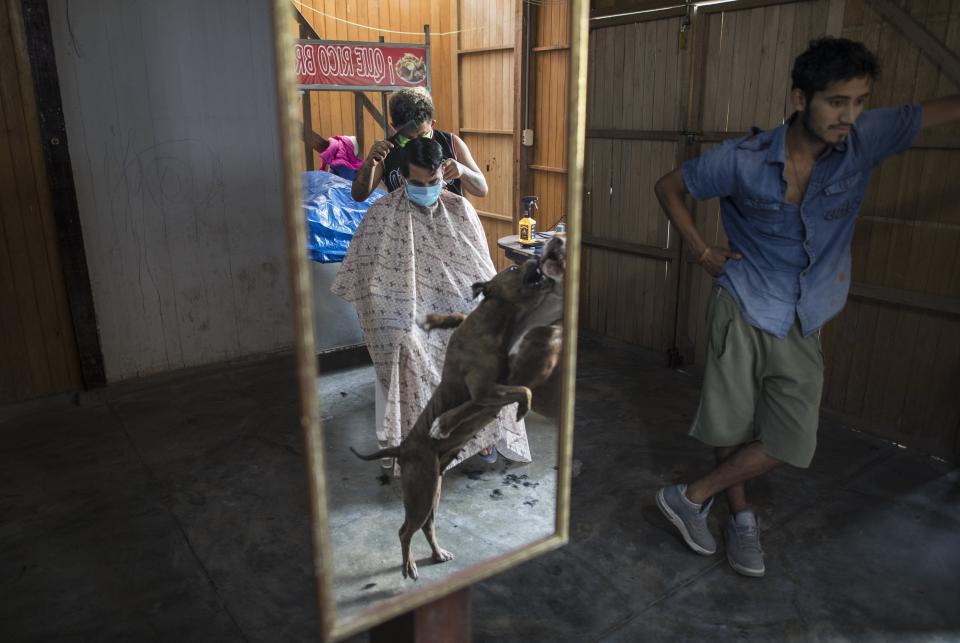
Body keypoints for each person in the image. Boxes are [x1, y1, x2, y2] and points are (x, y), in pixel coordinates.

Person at [653, 37, 960, 577]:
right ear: (801, 98)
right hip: (743, 301)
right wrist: (702, 252)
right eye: (837, 101)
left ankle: (691, 495)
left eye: (860, 100)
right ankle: (741, 520)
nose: (850, 115)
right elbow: (669, 187)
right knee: (729, 425)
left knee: (791, 440)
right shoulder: (741, 161)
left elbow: (936, 111)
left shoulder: (865, 141)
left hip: (805, 314)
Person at [333, 137, 530, 470]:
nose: (425, 189)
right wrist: (399, 311)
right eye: (416, 184)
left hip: (455, 301)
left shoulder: (460, 208)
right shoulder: (383, 212)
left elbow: (479, 270)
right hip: (406, 305)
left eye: (433, 182)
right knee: (408, 343)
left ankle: (480, 433)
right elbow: (367, 277)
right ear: (402, 179)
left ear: (445, 172)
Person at [351, 87, 488, 202]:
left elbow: (482, 190)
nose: (418, 142)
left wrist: (463, 171)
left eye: (423, 135)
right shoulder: (385, 152)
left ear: (432, 124)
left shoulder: (452, 143)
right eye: (408, 138)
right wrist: (369, 163)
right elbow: (358, 196)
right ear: (395, 128)